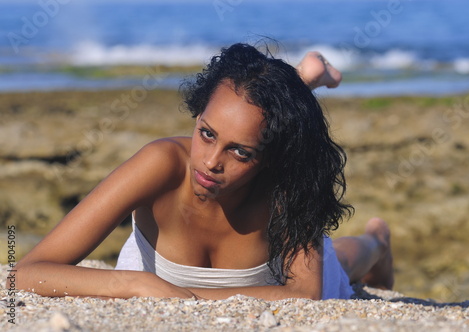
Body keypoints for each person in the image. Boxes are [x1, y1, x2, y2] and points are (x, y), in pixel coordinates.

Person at [12, 43, 393, 300]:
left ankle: (378, 241)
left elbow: (303, 294)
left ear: (271, 160)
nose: (210, 162)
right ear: (196, 116)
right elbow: (26, 272)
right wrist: (134, 282)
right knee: (254, 112)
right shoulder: (162, 163)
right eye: (206, 133)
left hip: (281, 246)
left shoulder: (288, 184)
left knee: (341, 260)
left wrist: (186, 297)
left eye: (240, 152)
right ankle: (302, 79)